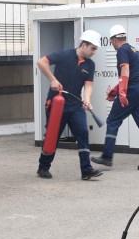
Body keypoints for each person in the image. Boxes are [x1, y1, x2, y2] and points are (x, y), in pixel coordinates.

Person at [36, 29, 104, 181]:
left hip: (75, 105)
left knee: (83, 133)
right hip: (57, 104)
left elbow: (88, 85)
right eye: (93, 48)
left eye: (95, 49)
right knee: (53, 135)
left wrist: (87, 99)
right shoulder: (64, 54)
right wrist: (52, 79)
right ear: (83, 45)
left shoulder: (90, 64)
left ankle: (86, 170)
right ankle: (43, 167)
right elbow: (41, 62)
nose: (94, 52)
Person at [95, 25, 139, 171]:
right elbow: (135, 75)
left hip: (131, 91)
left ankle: (107, 156)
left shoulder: (122, 50)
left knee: (113, 120)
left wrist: (121, 92)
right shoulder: (134, 50)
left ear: (114, 39)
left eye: (111, 41)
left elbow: (125, 69)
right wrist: (116, 89)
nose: (112, 43)